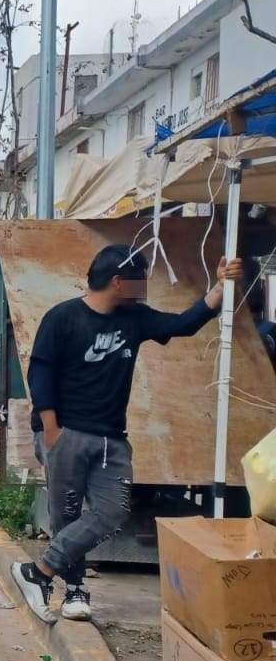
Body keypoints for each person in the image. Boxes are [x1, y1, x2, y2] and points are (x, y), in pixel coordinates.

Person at [14, 244, 242, 622]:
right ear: (118, 282)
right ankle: (74, 591)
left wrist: (218, 288)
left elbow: (182, 324)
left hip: (112, 439)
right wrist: (52, 430)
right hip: (66, 432)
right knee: (66, 517)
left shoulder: (134, 319)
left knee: (112, 512)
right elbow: (40, 374)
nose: (145, 286)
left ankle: (38, 573)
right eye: (139, 279)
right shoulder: (63, 318)